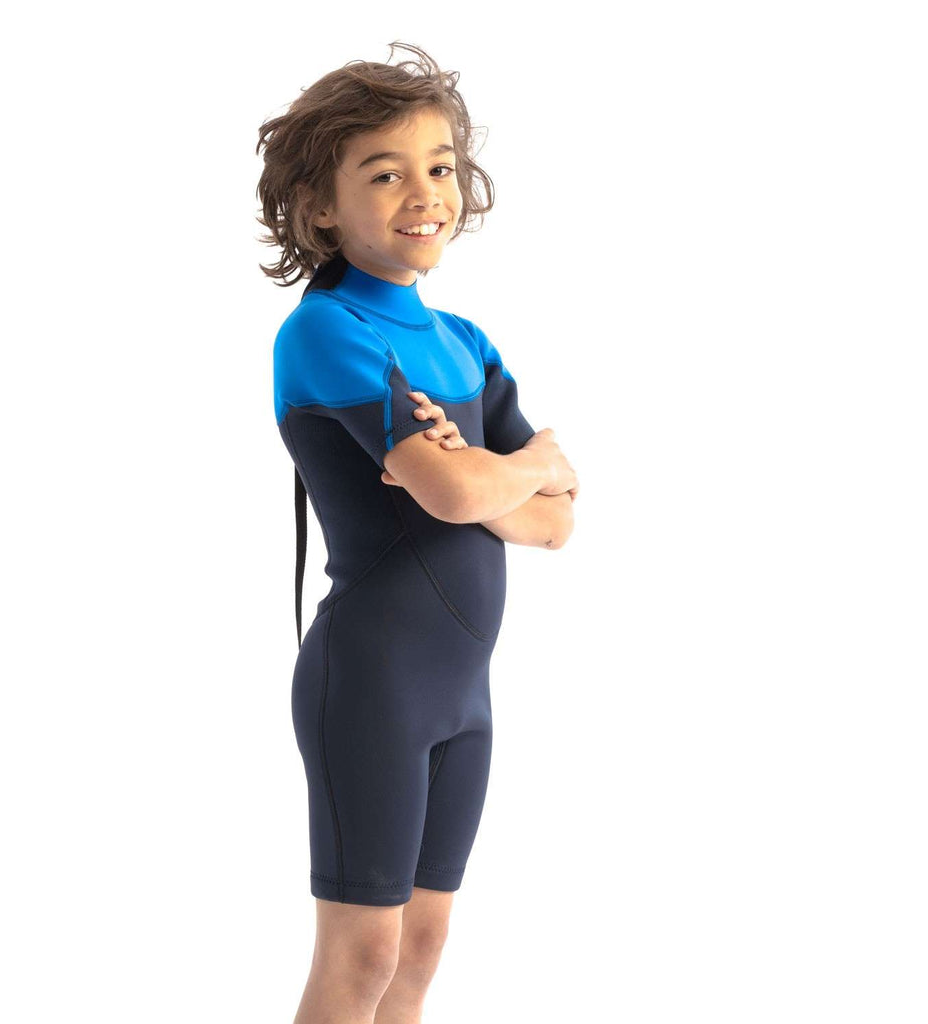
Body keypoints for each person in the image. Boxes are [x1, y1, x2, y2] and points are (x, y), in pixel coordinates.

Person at [256, 41, 579, 1024]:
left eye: (438, 167)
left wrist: (489, 477)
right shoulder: (326, 331)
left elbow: (556, 521)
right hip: (372, 681)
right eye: (383, 174)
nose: (423, 193)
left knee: (423, 946)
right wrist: (519, 466)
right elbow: (451, 496)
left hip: (461, 693)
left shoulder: (462, 342)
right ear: (321, 206)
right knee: (362, 954)